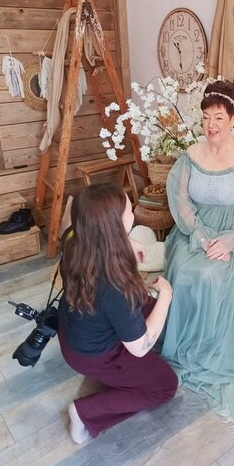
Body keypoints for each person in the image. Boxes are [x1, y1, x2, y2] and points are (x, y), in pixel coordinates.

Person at [160, 79, 234, 420]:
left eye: (219, 118)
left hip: (233, 236)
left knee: (210, 275)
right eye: (206, 117)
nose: (211, 125)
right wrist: (199, 234)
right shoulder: (192, 156)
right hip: (194, 232)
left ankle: (206, 349)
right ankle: (180, 344)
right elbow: (181, 199)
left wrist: (231, 239)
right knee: (183, 270)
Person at [58, 183, 177, 444]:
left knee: (146, 304)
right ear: (112, 226)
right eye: (129, 211)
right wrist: (166, 296)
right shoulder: (115, 284)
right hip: (93, 355)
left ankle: (122, 376)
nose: (133, 214)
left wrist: (127, 240)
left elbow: (71, 213)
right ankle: (84, 412)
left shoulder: (73, 239)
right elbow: (140, 348)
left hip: (73, 332)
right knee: (165, 385)